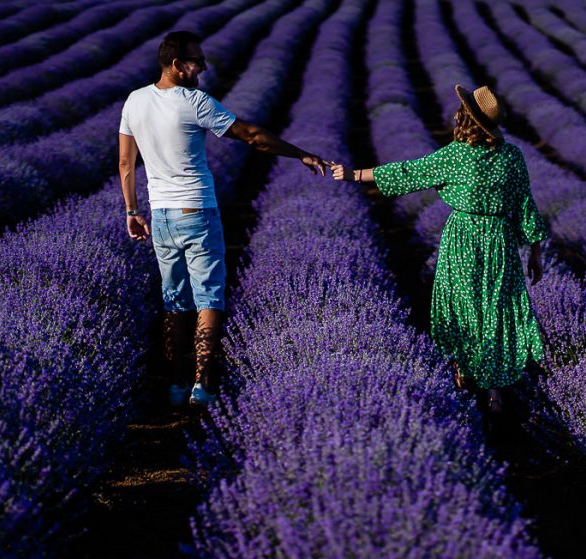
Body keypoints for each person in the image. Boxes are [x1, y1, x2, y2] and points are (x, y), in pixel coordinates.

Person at [119, 31, 330, 407]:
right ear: (176, 65)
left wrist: (132, 211)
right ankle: (203, 384)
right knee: (209, 298)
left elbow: (125, 162)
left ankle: (176, 383)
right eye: (196, 61)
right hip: (196, 211)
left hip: (161, 215)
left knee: (174, 300)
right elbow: (252, 136)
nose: (202, 67)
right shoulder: (194, 102)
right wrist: (300, 153)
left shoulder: (135, 101)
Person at [331, 85, 547, 415]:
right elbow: (525, 205)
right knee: (494, 308)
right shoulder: (512, 156)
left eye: (460, 111)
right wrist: (535, 252)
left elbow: (408, 172)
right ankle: (493, 388)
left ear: (466, 119)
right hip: (498, 240)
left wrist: (354, 174)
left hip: (463, 238)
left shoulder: (456, 156)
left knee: (461, 305)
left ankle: (463, 369)